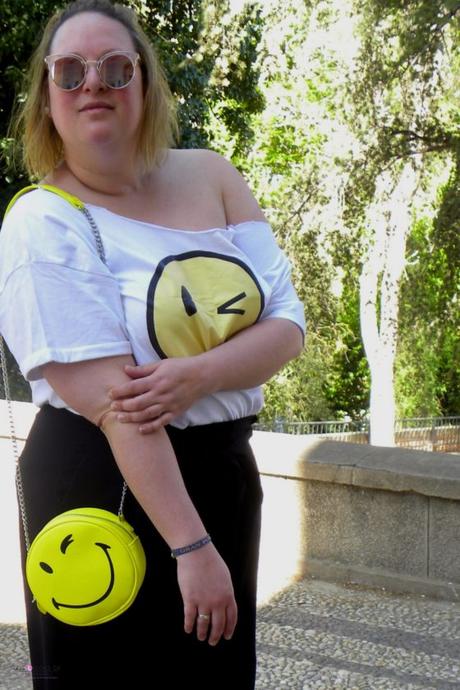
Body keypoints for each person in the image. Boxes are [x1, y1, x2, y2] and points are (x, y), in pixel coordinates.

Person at [0, 1, 305, 688]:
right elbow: (118, 407)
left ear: (145, 81)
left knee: (215, 676)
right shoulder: (43, 221)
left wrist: (195, 377)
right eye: (69, 71)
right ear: (47, 96)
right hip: (101, 482)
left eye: (115, 67)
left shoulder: (213, 176)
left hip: (223, 471)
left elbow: (287, 322)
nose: (93, 84)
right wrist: (191, 546)